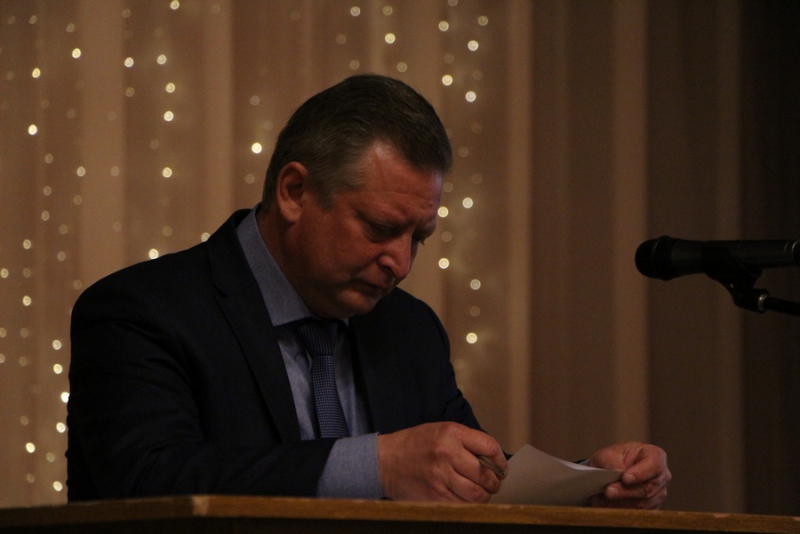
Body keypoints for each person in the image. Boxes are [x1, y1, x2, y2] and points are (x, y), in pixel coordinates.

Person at [67, 74, 670, 507]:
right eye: (380, 229)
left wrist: (588, 483)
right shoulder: (141, 310)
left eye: (419, 238)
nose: (401, 264)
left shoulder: (409, 327)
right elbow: (149, 481)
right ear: (295, 192)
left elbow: (469, 478)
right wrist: (377, 465)